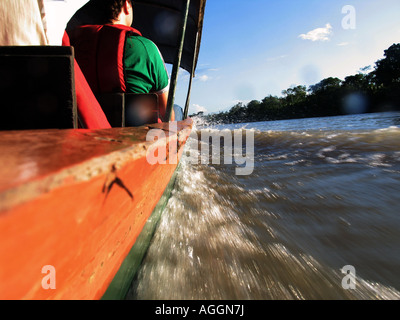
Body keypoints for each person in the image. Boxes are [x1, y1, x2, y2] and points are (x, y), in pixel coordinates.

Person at [67, 0, 174, 122]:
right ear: (127, 5)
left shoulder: (71, 46)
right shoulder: (145, 48)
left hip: (80, 133)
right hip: (135, 138)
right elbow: (168, 116)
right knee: (177, 111)